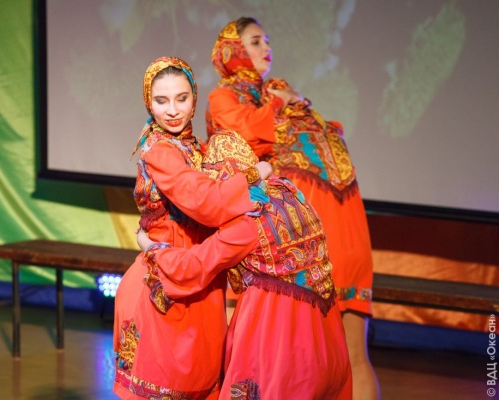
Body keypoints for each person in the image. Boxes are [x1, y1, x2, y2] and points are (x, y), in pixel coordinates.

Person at [206, 17, 380, 400]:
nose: (266, 48)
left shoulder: (273, 97)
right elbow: (247, 132)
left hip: (297, 235)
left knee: (258, 355)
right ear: (232, 49)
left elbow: (242, 146)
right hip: (326, 230)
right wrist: (281, 101)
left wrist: (279, 101)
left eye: (266, 40)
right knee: (342, 358)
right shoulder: (261, 99)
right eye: (255, 41)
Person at [137, 130, 352, 399]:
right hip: (327, 335)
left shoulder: (248, 220)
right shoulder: (290, 193)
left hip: (279, 333)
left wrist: (151, 247)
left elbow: (192, 267)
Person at [113, 56, 269, 399]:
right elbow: (206, 203)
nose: (172, 111)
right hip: (165, 286)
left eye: (181, 98)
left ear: (194, 98)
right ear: (148, 103)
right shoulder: (161, 151)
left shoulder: (194, 147)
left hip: (200, 280)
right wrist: (254, 176)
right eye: (161, 101)